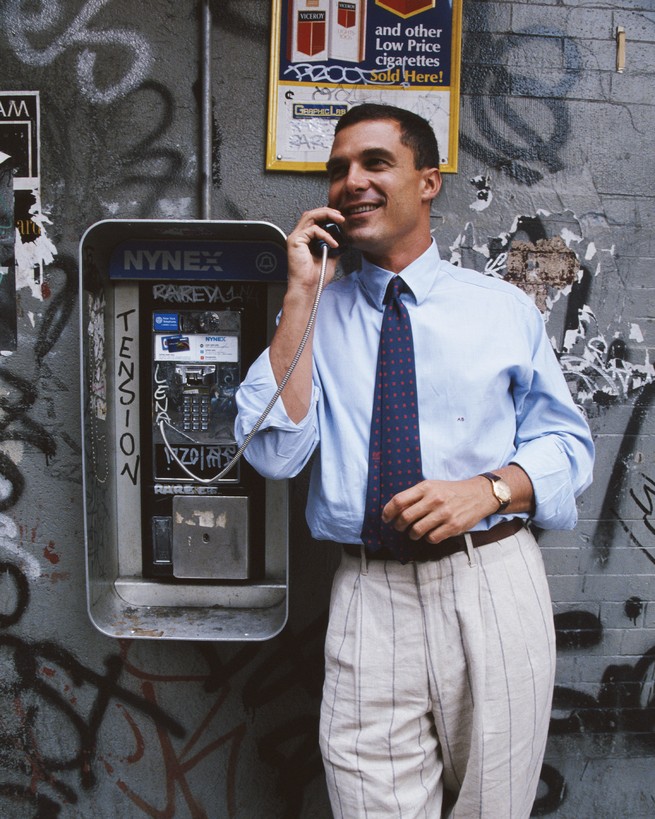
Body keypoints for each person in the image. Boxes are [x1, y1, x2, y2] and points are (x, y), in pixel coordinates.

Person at [235, 103, 594, 818]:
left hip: (488, 582)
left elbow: (568, 446)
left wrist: (488, 489)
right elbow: (273, 452)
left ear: (427, 182)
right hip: (370, 597)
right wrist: (300, 296)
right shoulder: (314, 313)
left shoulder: (501, 310)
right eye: (337, 169)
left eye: (374, 162)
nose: (351, 181)